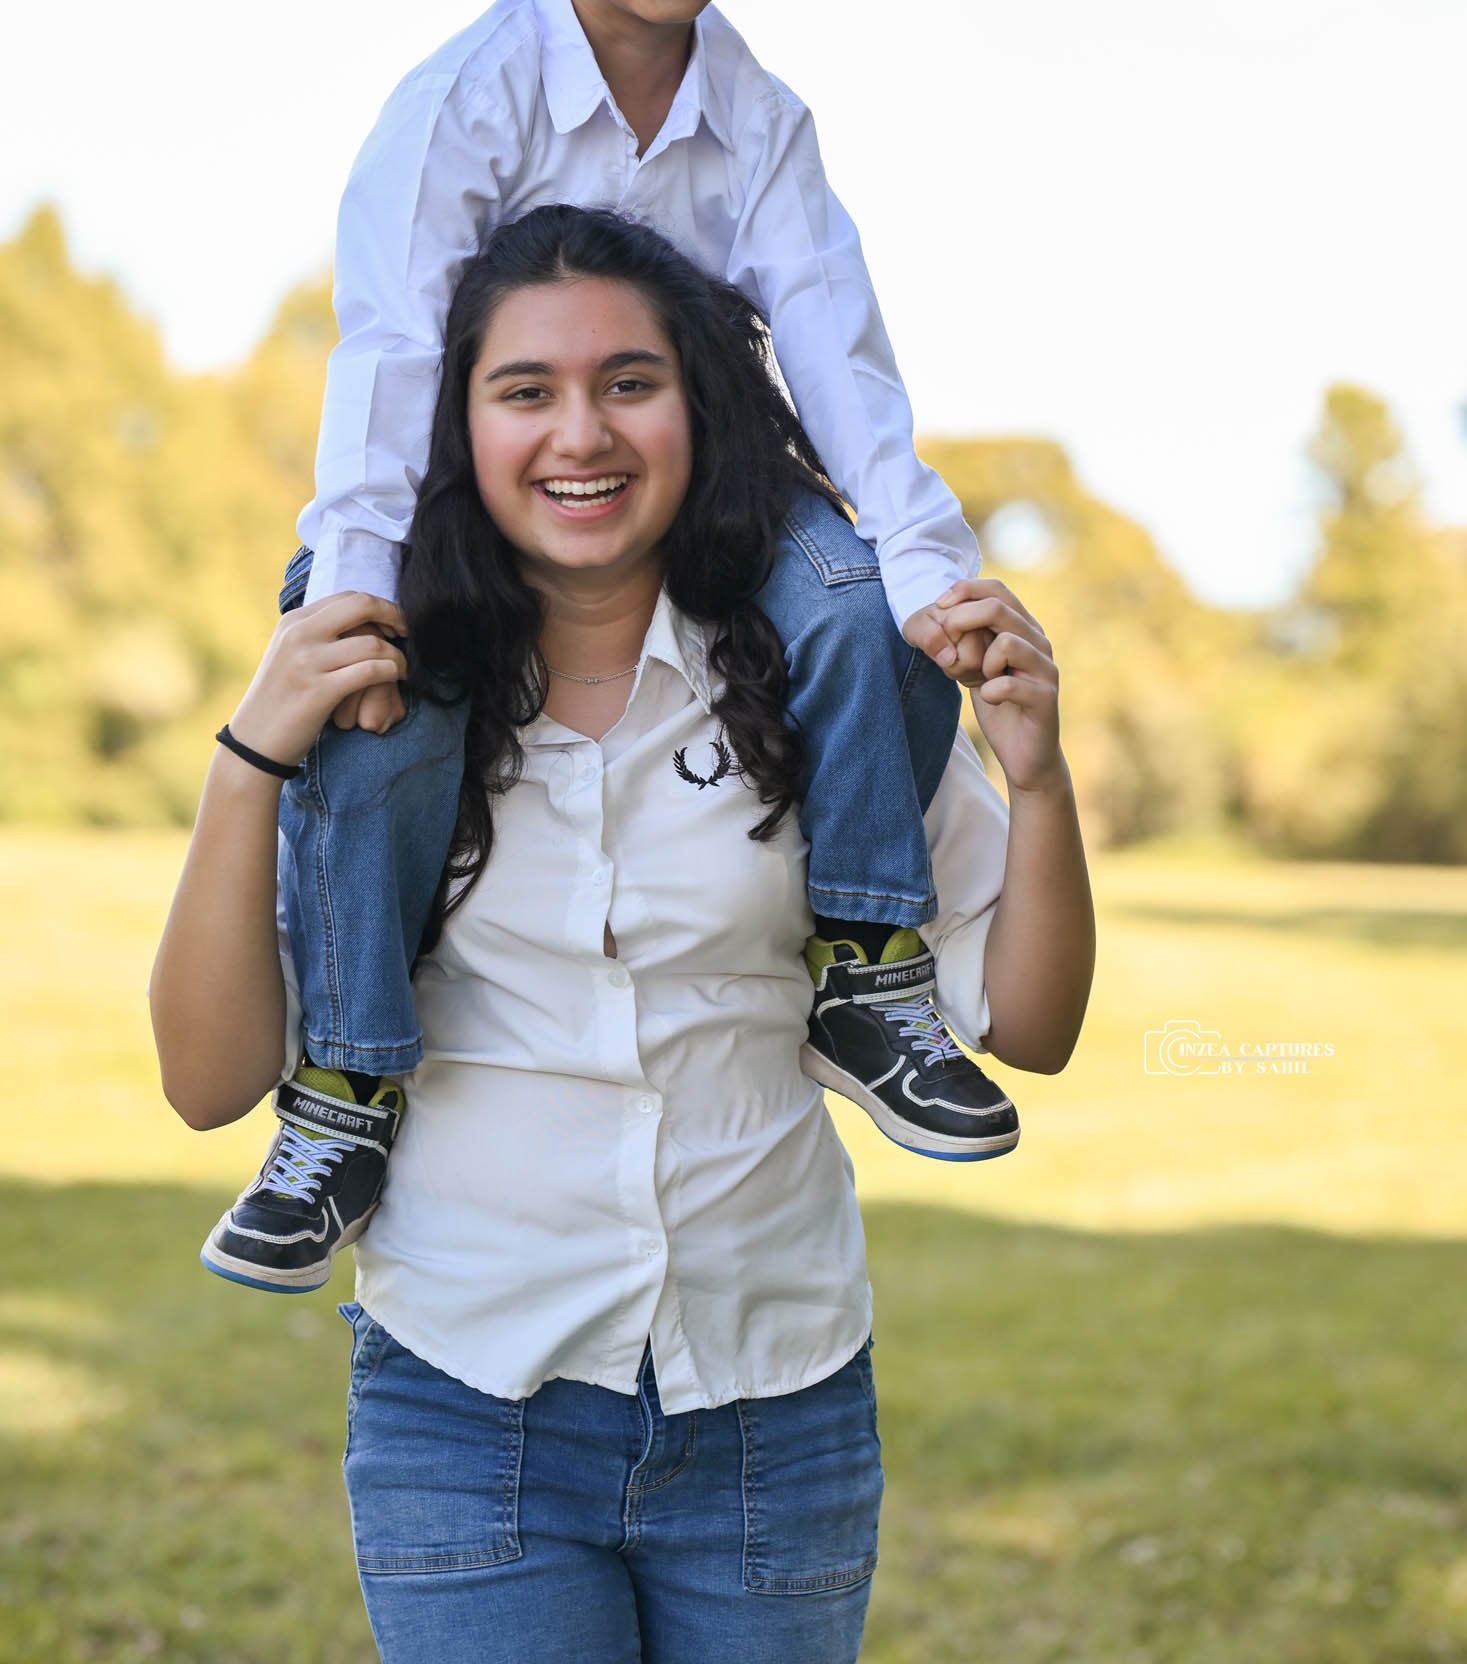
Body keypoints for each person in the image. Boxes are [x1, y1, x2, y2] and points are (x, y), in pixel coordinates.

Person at [151, 208, 1095, 1662]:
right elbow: (208, 1080)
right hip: (471, 1410)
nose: (579, 431)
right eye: (524, 389)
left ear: (698, 409)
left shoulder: (829, 682)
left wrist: (1037, 778)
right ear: (452, 427)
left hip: (777, 1409)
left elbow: (1027, 1028)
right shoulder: (378, 718)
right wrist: (244, 762)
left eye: (630, 383)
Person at [202, 0, 1016, 1298]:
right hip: (469, 483)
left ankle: (867, 968)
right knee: (384, 690)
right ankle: (347, 1085)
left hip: (712, 470)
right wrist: (358, 576)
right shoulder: (463, 103)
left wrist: (931, 574)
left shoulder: (765, 120)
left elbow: (840, 362)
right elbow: (386, 359)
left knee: (865, 607)